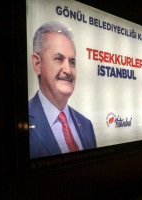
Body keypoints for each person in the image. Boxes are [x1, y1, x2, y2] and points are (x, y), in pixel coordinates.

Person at [29, 21, 96, 159]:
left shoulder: (86, 125)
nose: (68, 70)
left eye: (72, 62)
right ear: (37, 64)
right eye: (59, 59)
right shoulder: (24, 120)